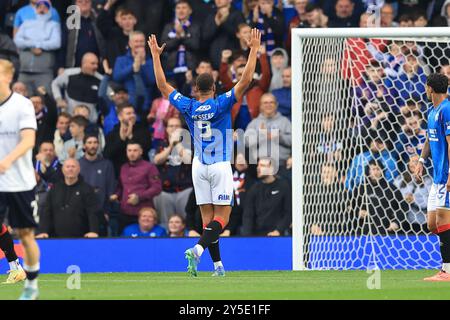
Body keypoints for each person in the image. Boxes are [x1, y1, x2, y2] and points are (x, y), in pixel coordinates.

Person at [148, 28, 261, 277]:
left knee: (208, 220)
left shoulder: (187, 105)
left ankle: (218, 266)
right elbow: (246, 80)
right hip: (219, 165)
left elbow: (162, 86)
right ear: (215, 88)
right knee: (223, 218)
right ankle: (198, 250)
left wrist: (156, 56)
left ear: (196, 90)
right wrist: (253, 49)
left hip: (198, 166)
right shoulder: (221, 102)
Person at [0, 59, 41, 299]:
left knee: (25, 235)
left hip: (20, 181)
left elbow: (29, 140)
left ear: (7, 77)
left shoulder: (22, 105)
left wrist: (7, 160)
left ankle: (31, 284)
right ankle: (14, 267)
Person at [414, 73, 450, 281]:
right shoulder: (431, 112)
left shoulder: (447, 109)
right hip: (437, 177)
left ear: (429, 88)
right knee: (432, 224)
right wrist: (421, 160)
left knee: (444, 221)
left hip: (446, 176)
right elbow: (429, 138)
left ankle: (447, 271)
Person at [37, 158, 101, 238]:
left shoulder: (87, 189)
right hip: (56, 239)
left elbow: (92, 212)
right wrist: (43, 231)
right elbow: (46, 212)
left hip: (81, 239)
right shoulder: (54, 189)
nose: (70, 169)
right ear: (63, 170)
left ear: (78, 169)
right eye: (67, 167)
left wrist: (93, 231)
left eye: (73, 166)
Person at [110, 141, 162, 233]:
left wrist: (139, 197)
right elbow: (121, 186)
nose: (132, 153)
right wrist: (116, 195)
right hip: (125, 211)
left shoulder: (150, 167)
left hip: (143, 212)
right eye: (129, 150)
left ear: (141, 151)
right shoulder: (123, 167)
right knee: (125, 239)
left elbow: (157, 188)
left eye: (135, 150)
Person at [152, 117, 192, 228]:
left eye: (177, 126)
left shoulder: (189, 142)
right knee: (166, 223)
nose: (174, 128)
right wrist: (170, 145)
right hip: (165, 190)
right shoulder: (161, 144)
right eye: (171, 126)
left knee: (185, 219)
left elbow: (188, 160)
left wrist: (178, 143)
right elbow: (157, 160)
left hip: (185, 189)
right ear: (166, 129)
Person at [242, 157, 292, 236]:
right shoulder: (253, 188)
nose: (258, 168)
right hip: (257, 236)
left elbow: (288, 212)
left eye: (262, 165)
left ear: (271, 169)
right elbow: (248, 215)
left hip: (279, 235)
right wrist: (247, 237)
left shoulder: (283, 186)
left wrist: (278, 230)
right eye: (258, 165)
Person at [51, 52, 106, 123]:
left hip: (90, 121)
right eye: (92, 63)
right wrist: (58, 99)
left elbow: (110, 95)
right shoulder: (69, 74)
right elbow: (55, 84)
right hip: (70, 118)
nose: (96, 66)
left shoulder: (101, 79)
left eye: (97, 64)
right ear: (84, 63)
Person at [79, 135, 115, 237]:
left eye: (95, 142)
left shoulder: (107, 164)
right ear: (84, 145)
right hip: (82, 213)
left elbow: (110, 190)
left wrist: (107, 212)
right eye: (89, 143)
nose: (92, 145)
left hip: (100, 212)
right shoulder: (78, 164)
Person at [245, 93, 292, 168]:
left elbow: (294, 141)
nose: (268, 105)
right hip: (259, 165)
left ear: (276, 105)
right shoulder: (254, 123)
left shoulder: (285, 121)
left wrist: (279, 137)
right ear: (260, 106)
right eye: (265, 103)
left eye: (271, 102)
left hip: (281, 164)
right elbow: (246, 142)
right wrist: (260, 135)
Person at [103, 104, 152, 176]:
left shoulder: (143, 130)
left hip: (141, 173)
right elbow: (107, 154)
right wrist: (121, 139)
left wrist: (131, 137)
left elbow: (146, 148)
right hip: (120, 174)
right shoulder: (113, 133)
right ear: (120, 117)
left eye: (133, 113)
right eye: (128, 113)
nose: (132, 115)